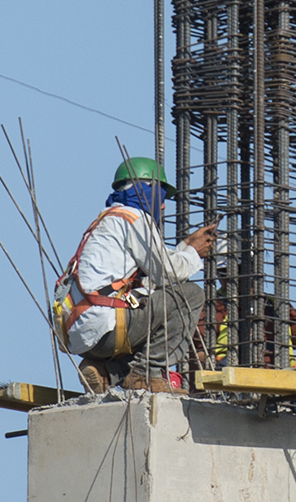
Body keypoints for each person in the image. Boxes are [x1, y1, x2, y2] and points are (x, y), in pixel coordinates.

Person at [57, 157, 216, 395]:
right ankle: (146, 374)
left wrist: (185, 246)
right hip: (109, 328)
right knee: (190, 296)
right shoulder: (135, 218)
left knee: (150, 299)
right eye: (161, 198)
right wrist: (194, 254)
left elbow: (149, 275)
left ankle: (104, 371)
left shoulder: (109, 220)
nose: (162, 207)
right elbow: (167, 275)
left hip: (84, 335)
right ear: (147, 191)